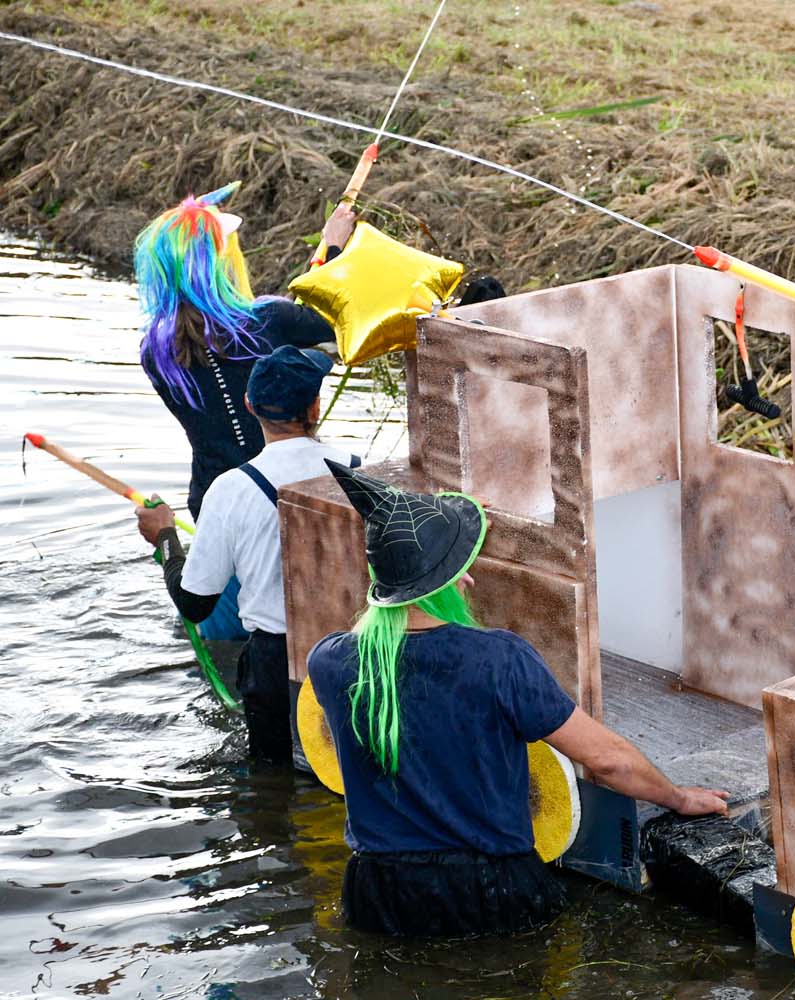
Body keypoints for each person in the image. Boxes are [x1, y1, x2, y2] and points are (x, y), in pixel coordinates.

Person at [307, 461, 731, 938]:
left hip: (379, 892)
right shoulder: (499, 661)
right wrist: (677, 796)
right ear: (454, 580)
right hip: (489, 888)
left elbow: (381, 633)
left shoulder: (329, 663)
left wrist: (436, 546)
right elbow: (607, 761)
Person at [134, 183, 354, 639]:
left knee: (236, 626)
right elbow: (331, 319)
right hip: (293, 491)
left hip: (216, 499)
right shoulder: (268, 320)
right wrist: (333, 247)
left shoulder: (156, 352)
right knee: (306, 614)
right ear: (220, 263)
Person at [136, 345, 362, 765]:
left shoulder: (230, 489)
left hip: (275, 665)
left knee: (276, 785)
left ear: (249, 405)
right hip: (358, 654)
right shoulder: (359, 469)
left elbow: (195, 603)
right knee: (350, 771)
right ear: (315, 406)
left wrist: (165, 536)